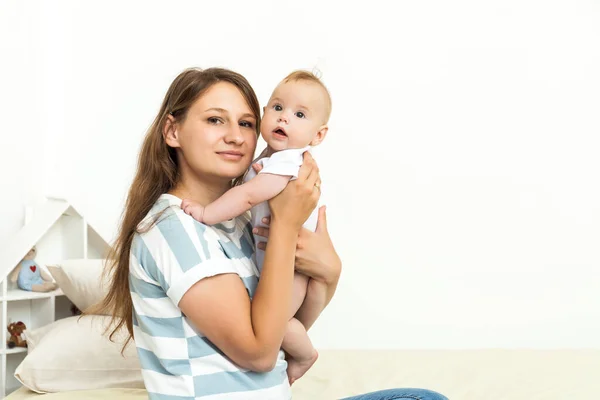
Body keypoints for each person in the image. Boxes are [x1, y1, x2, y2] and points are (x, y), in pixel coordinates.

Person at [98, 67, 448, 400]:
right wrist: (285, 225)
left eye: (246, 123)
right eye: (215, 119)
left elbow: (284, 327)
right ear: (173, 131)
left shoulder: (237, 224)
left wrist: (329, 271)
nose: (235, 136)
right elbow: (261, 354)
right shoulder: (174, 230)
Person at [180, 69, 331, 384]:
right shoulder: (270, 157)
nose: (284, 118)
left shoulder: (290, 163)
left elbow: (248, 196)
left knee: (279, 324)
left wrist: (207, 213)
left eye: (299, 114)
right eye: (277, 108)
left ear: (318, 136)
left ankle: (304, 355)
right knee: (273, 323)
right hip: (277, 260)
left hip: (291, 268)